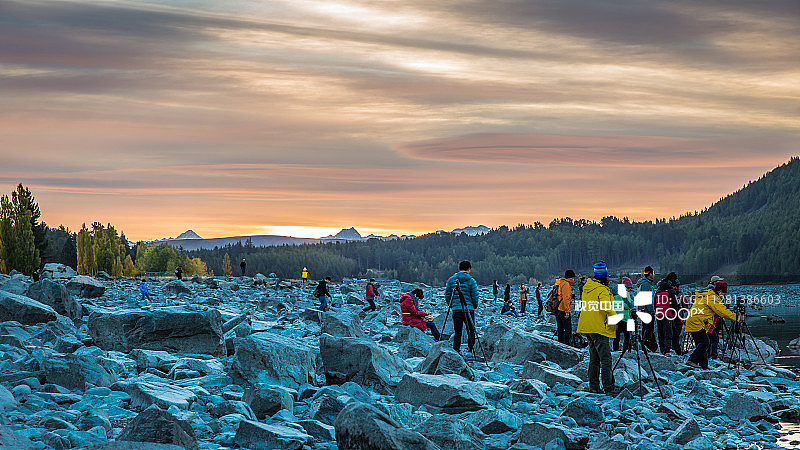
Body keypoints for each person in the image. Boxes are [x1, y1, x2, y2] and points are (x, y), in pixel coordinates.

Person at [577, 261, 617, 394]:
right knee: (605, 359)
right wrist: (614, 320)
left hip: (586, 326)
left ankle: (593, 386)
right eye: (607, 276)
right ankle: (608, 388)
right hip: (598, 327)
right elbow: (607, 307)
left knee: (594, 357)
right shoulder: (602, 290)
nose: (609, 278)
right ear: (604, 277)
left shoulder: (587, 288)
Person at [686, 278, 741, 369]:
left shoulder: (706, 295)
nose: (723, 296)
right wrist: (737, 317)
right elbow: (721, 311)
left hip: (695, 322)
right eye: (723, 294)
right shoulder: (712, 298)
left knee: (702, 343)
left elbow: (705, 312)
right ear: (719, 291)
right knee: (705, 342)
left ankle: (703, 365)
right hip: (697, 323)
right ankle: (692, 360)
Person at [444, 260, 480, 354]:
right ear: (469, 269)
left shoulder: (451, 280)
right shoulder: (471, 281)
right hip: (468, 308)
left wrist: (451, 305)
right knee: (471, 329)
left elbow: (447, 295)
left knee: (457, 330)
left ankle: (456, 349)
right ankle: (471, 348)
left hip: (456, 309)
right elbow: (475, 295)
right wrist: (474, 306)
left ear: (459, 268)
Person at [655, 272, 680, 355]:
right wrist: (676, 314)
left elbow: (655, 303)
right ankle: (668, 350)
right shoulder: (670, 291)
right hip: (667, 314)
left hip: (659, 313)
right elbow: (674, 304)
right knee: (669, 333)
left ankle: (662, 350)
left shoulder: (658, 290)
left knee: (661, 332)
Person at [637, 266, 657, 350]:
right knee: (648, 328)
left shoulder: (642, 283)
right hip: (647, 311)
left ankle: (649, 345)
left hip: (642, 309)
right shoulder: (646, 284)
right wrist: (651, 310)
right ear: (650, 274)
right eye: (653, 273)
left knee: (645, 327)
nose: (654, 275)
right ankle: (646, 344)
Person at [612, 277, 634, 352]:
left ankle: (615, 350)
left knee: (616, 336)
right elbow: (626, 305)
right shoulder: (625, 293)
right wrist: (632, 304)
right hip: (624, 317)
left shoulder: (614, 293)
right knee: (627, 336)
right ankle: (625, 351)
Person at [554, 270, 575, 345]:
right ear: (571, 277)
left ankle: (560, 345)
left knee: (560, 329)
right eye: (573, 278)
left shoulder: (559, 282)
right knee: (568, 329)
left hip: (557, 308)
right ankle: (566, 346)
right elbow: (566, 299)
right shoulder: (566, 284)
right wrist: (567, 311)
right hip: (563, 309)